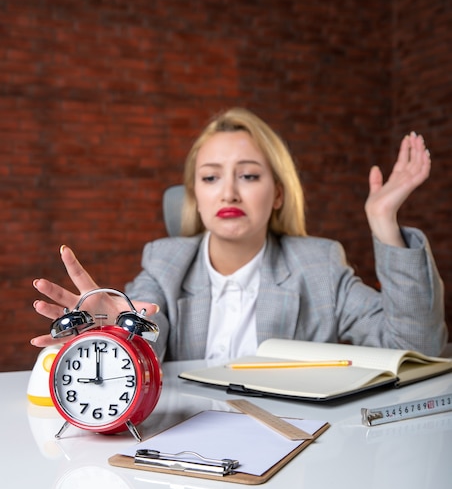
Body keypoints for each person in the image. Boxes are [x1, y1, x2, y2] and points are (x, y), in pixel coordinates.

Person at [31, 107, 447, 362]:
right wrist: (116, 333)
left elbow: (417, 349)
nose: (229, 191)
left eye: (249, 175)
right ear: (196, 197)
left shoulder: (319, 266)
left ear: (278, 193)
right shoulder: (165, 263)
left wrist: (383, 221)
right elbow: (147, 342)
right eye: (211, 178)